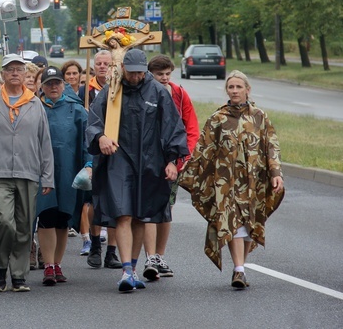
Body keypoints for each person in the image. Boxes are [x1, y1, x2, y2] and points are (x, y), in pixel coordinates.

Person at [85, 48, 188, 292]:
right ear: (123, 69)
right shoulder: (111, 90)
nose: (135, 77)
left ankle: (132, 265)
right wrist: (100, 137)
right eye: (131, 73)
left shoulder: (158, 91)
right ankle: (126, 271)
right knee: (124, 213)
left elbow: (173, 126)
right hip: (118, 159)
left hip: (150, 161)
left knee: (142, 215)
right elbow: (93, 121)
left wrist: (172, 160)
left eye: (140, 73)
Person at [179, 70, 284, 290]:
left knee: (249, 225)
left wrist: (276, 174)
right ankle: (238, 270)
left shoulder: (259, 116)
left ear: (247, 89)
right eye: (231, 87)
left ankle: (241, 267)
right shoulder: (218, 118)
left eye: (238, 87)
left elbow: (271, 146)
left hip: (255, 181)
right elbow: (203, 149)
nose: (234, 91)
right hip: (226, 181)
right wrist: (188, 174)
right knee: (233, 222)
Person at [0, 54, 54, 293]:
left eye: (19, 69)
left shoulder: (34, 103)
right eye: (10, 70)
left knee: (24, 226)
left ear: (24, 73)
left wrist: (48, 176)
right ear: (3, 74)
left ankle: (18, 275)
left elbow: (44, 142)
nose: (15, 73)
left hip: (28, 171)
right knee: (3, 221)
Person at [141, 54, 200, 280]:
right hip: (148, 160)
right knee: (148, 209)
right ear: (150, 74)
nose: (164, 78)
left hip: (173, 160)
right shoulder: (144, 92)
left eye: (167, 74)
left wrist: (183, 159)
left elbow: (191, 128)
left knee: (166, 209)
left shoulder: (179, 93)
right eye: (159, 75)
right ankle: (150, 257)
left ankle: (160, 255)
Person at [35, 66, 87, 286]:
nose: (53, 87)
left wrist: (89, 166)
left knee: (63, 218)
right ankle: (47, 265)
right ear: (42, 87)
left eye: (57, 83)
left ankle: (57, 263)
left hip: (68, 170)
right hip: (42, 172)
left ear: (64, 85)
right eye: (49, 83)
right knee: (46, 215)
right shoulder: (35, 109)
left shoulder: (77, 110)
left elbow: (86, 142)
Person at [85, 50, 122, 269]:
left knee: (119, 201)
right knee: (95, 199)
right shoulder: (87, 90)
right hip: (96, 150)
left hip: (120, 151)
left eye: (106, 64)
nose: (102, 67)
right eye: (98, 63)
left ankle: (112, 251)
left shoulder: (123, 88)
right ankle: (95, 245)